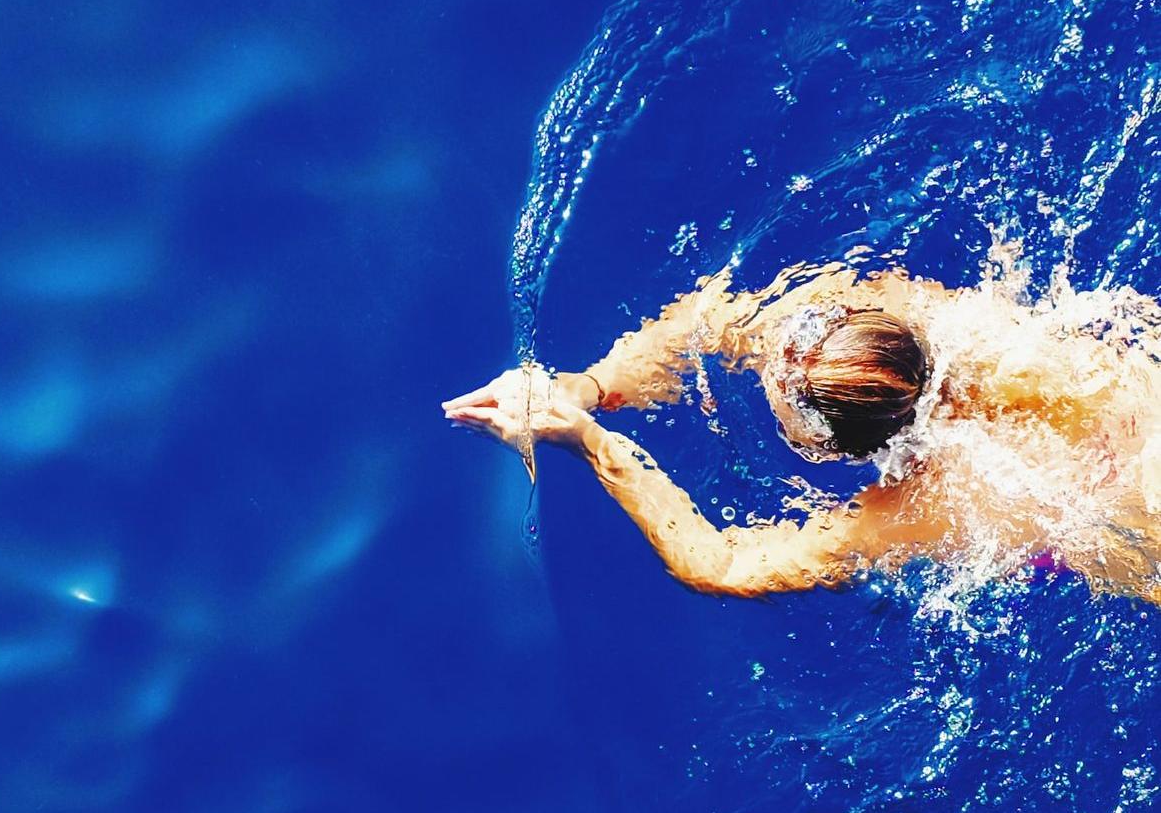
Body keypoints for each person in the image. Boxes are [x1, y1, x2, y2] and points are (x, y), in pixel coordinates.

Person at [444, 255, 1161, 600]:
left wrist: (587, 439)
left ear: (825, 445)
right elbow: (708, 319)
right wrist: (585, 386)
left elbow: (718, 565)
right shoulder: (915, 323)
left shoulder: (925, 504)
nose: (769, 341)